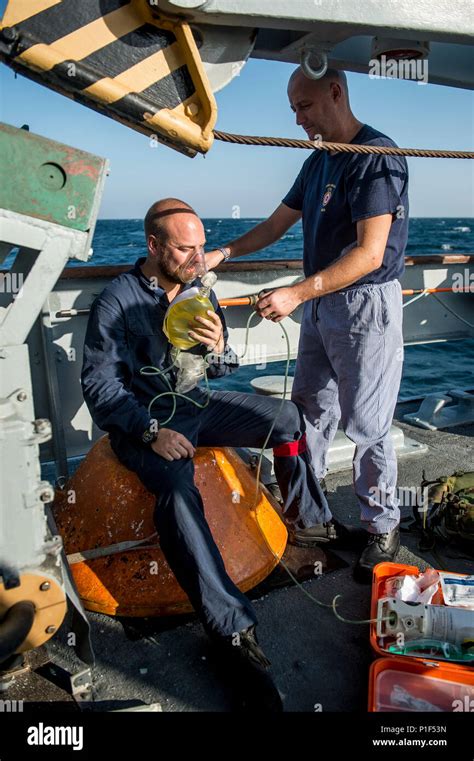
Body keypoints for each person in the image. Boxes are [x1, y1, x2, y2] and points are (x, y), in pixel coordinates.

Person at [81, 198, 344, 711]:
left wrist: (220, 344)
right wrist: (151, 431)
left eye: (202, 246)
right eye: (185, 248)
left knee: (287, 419)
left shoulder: (201, 289)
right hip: (146, 421)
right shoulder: (117, 299)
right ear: (154, 246)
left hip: (198, 405)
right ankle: (230, 632)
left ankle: (309, 519)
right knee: (178, 490)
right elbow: (99, 386)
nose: (198, 258)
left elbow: (221, 370)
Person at [206, 68, 409, 582]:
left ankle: (382, 525)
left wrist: (296, 292)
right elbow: (276, 225)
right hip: (322, 303)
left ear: (336, 93)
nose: (298, 119)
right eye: (293, 110)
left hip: (363, 304)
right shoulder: (318, 160)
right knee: (310, 411)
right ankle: (312, 513)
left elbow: (368, 255)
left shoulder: (376, 156)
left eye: (305, 106)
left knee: (367, 423)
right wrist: (221, 253)